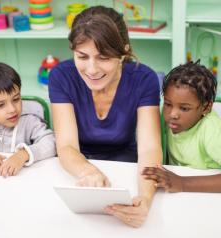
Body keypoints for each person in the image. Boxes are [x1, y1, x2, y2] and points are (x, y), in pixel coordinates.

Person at [48, 6, 162, 227]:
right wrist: (88, 171)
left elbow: (150, 149)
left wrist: (145, 199)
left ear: (123, 53)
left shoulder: (144, 79)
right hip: (76, 170)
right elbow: (66, 146)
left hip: (128, 170)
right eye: (82, 56)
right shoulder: (61, 76)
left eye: (104, 57)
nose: (92, 69)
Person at [143, 61, 221, 192]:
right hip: (181, 191)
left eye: (184, 108)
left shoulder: (212, 129)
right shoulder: (167, 115)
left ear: (206, 108)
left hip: (211, 194)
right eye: (168, 104)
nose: (172, 114)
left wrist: (182, 183)